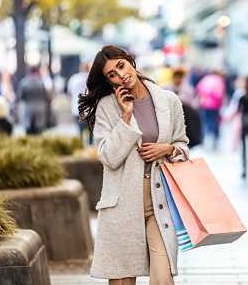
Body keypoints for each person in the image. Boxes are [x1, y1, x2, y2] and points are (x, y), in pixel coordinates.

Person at [78, 45, 189, 284]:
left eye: (121, 65)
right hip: (122, 204)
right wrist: (125, 117)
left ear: (130, 61)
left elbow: (183, 145)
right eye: (112, 75)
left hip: (160, 202)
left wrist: (169, 149)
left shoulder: (169, 101)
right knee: (122, 280)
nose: (121, 75)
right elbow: (108, 157)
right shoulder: (108, 108)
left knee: (163, 278)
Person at [195, 71, 226, 149]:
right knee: (214, 122)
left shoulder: (205, 79)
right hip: (214, 105)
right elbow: (220, 94)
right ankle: (214, 139)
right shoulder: (219, 80)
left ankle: (203, 139)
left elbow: (198, 90)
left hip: (204, 104)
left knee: (204, 122)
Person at [17, 66, 50, 135]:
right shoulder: (41, 82)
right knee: (39, 132)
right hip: (40, 110)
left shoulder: (24, 82)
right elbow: (46, 96)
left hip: (29, 109)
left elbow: (20, 97)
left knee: (29, 132)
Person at [68, 63, 92, 142]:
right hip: (90, 109)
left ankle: (82, 148)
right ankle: (91, 149)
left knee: (80, 133)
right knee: (91, 132)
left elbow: (69, 93)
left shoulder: (74, 78)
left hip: (77, 108)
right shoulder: (91, 78)